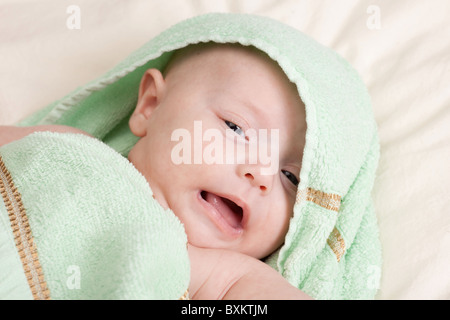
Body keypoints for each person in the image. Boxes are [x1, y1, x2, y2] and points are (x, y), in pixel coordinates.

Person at [0, 43, 310, 299]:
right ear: (151, 105)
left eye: (291, 176)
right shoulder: (69, 148)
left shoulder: (213, 273)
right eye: (235, 126)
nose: (262, 173)